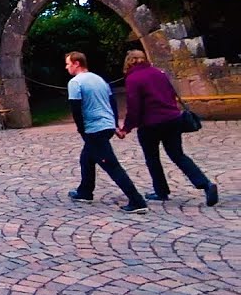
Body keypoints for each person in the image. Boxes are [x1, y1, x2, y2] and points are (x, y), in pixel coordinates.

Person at [118, 50, 219, 206]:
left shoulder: (133, 78)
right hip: (172, 119)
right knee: (178, 155)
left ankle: (161, 191)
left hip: (150, 123)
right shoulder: (159, 73)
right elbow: (171, 94)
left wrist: (126, 128)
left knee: (152, 158)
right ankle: (205, 184)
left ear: (129, 61)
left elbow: (134, 107)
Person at [64, 51, 148, 213]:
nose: (66, 67)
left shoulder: (75, 83)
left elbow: (76, 109)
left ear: (76, 63)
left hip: (94, 129)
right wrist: (114, 124)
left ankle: (137, 201)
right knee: (86, 158)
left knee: (111, 165)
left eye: (68, 64)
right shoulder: (99, 79)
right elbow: (113, 102)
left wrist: (82, 131)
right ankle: (85, 191)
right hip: (107, 126)